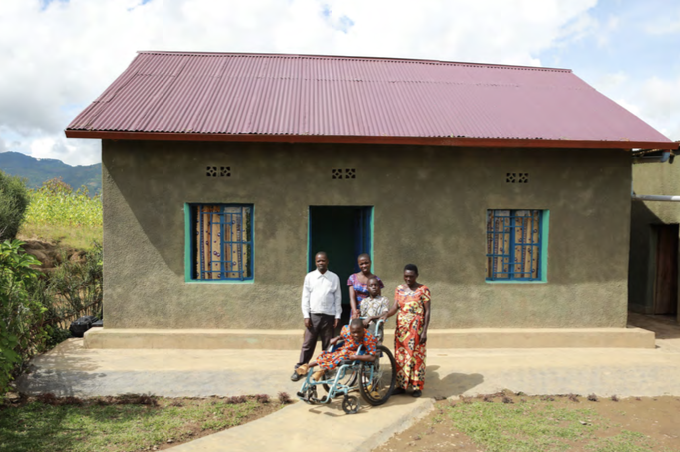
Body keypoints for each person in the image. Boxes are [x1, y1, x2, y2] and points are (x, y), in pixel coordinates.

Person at [380, 264, 431, 397]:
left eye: (411, 276)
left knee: (416, 357)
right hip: (402, 331)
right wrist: (385, 314)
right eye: (406, 276)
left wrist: (424, 331)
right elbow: (395, 307)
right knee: (401, 357)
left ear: (417, 276)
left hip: (417, 330)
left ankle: (416, 387)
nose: (408, 279)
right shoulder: (399, 289)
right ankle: (401, 386)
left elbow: (427, 312)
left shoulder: (423, 290)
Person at [291, 251, 342, 382]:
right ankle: (300, 368)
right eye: (318, 261)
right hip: (313, 316)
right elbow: (305, 297)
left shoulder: (334, 277)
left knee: (327, 345)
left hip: (329, 316)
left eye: (323, 260)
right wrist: (306, 315)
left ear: (327, 261)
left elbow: (337, 298)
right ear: (315, 262)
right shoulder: (310, 277)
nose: (321, 263)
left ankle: (326, 369)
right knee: (308, 344)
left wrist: (337, 316)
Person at [296, 318, 377, 381]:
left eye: (359, 332)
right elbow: (342, 336)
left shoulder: (368, 338)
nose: (356, 334)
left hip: (360, 351)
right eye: (353, 332)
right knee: (328, 354)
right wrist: (337, 338)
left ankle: (319, 369)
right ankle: (308, 366)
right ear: (350, 330)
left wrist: (356, 357)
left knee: (339, 355)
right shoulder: (346, 330)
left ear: (363, 329)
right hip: (346, 349)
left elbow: (373, 357)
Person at [347, 253, 384, 319]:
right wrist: (355, 311)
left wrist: (374, 315)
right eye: (361, 264)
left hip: (371, 313)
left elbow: (378, 299)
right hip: (356, 312)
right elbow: (352, 298)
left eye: (366, 263)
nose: (364, 266)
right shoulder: (352, 278)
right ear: (358, 265)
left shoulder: (376, 280)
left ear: (370, 262)